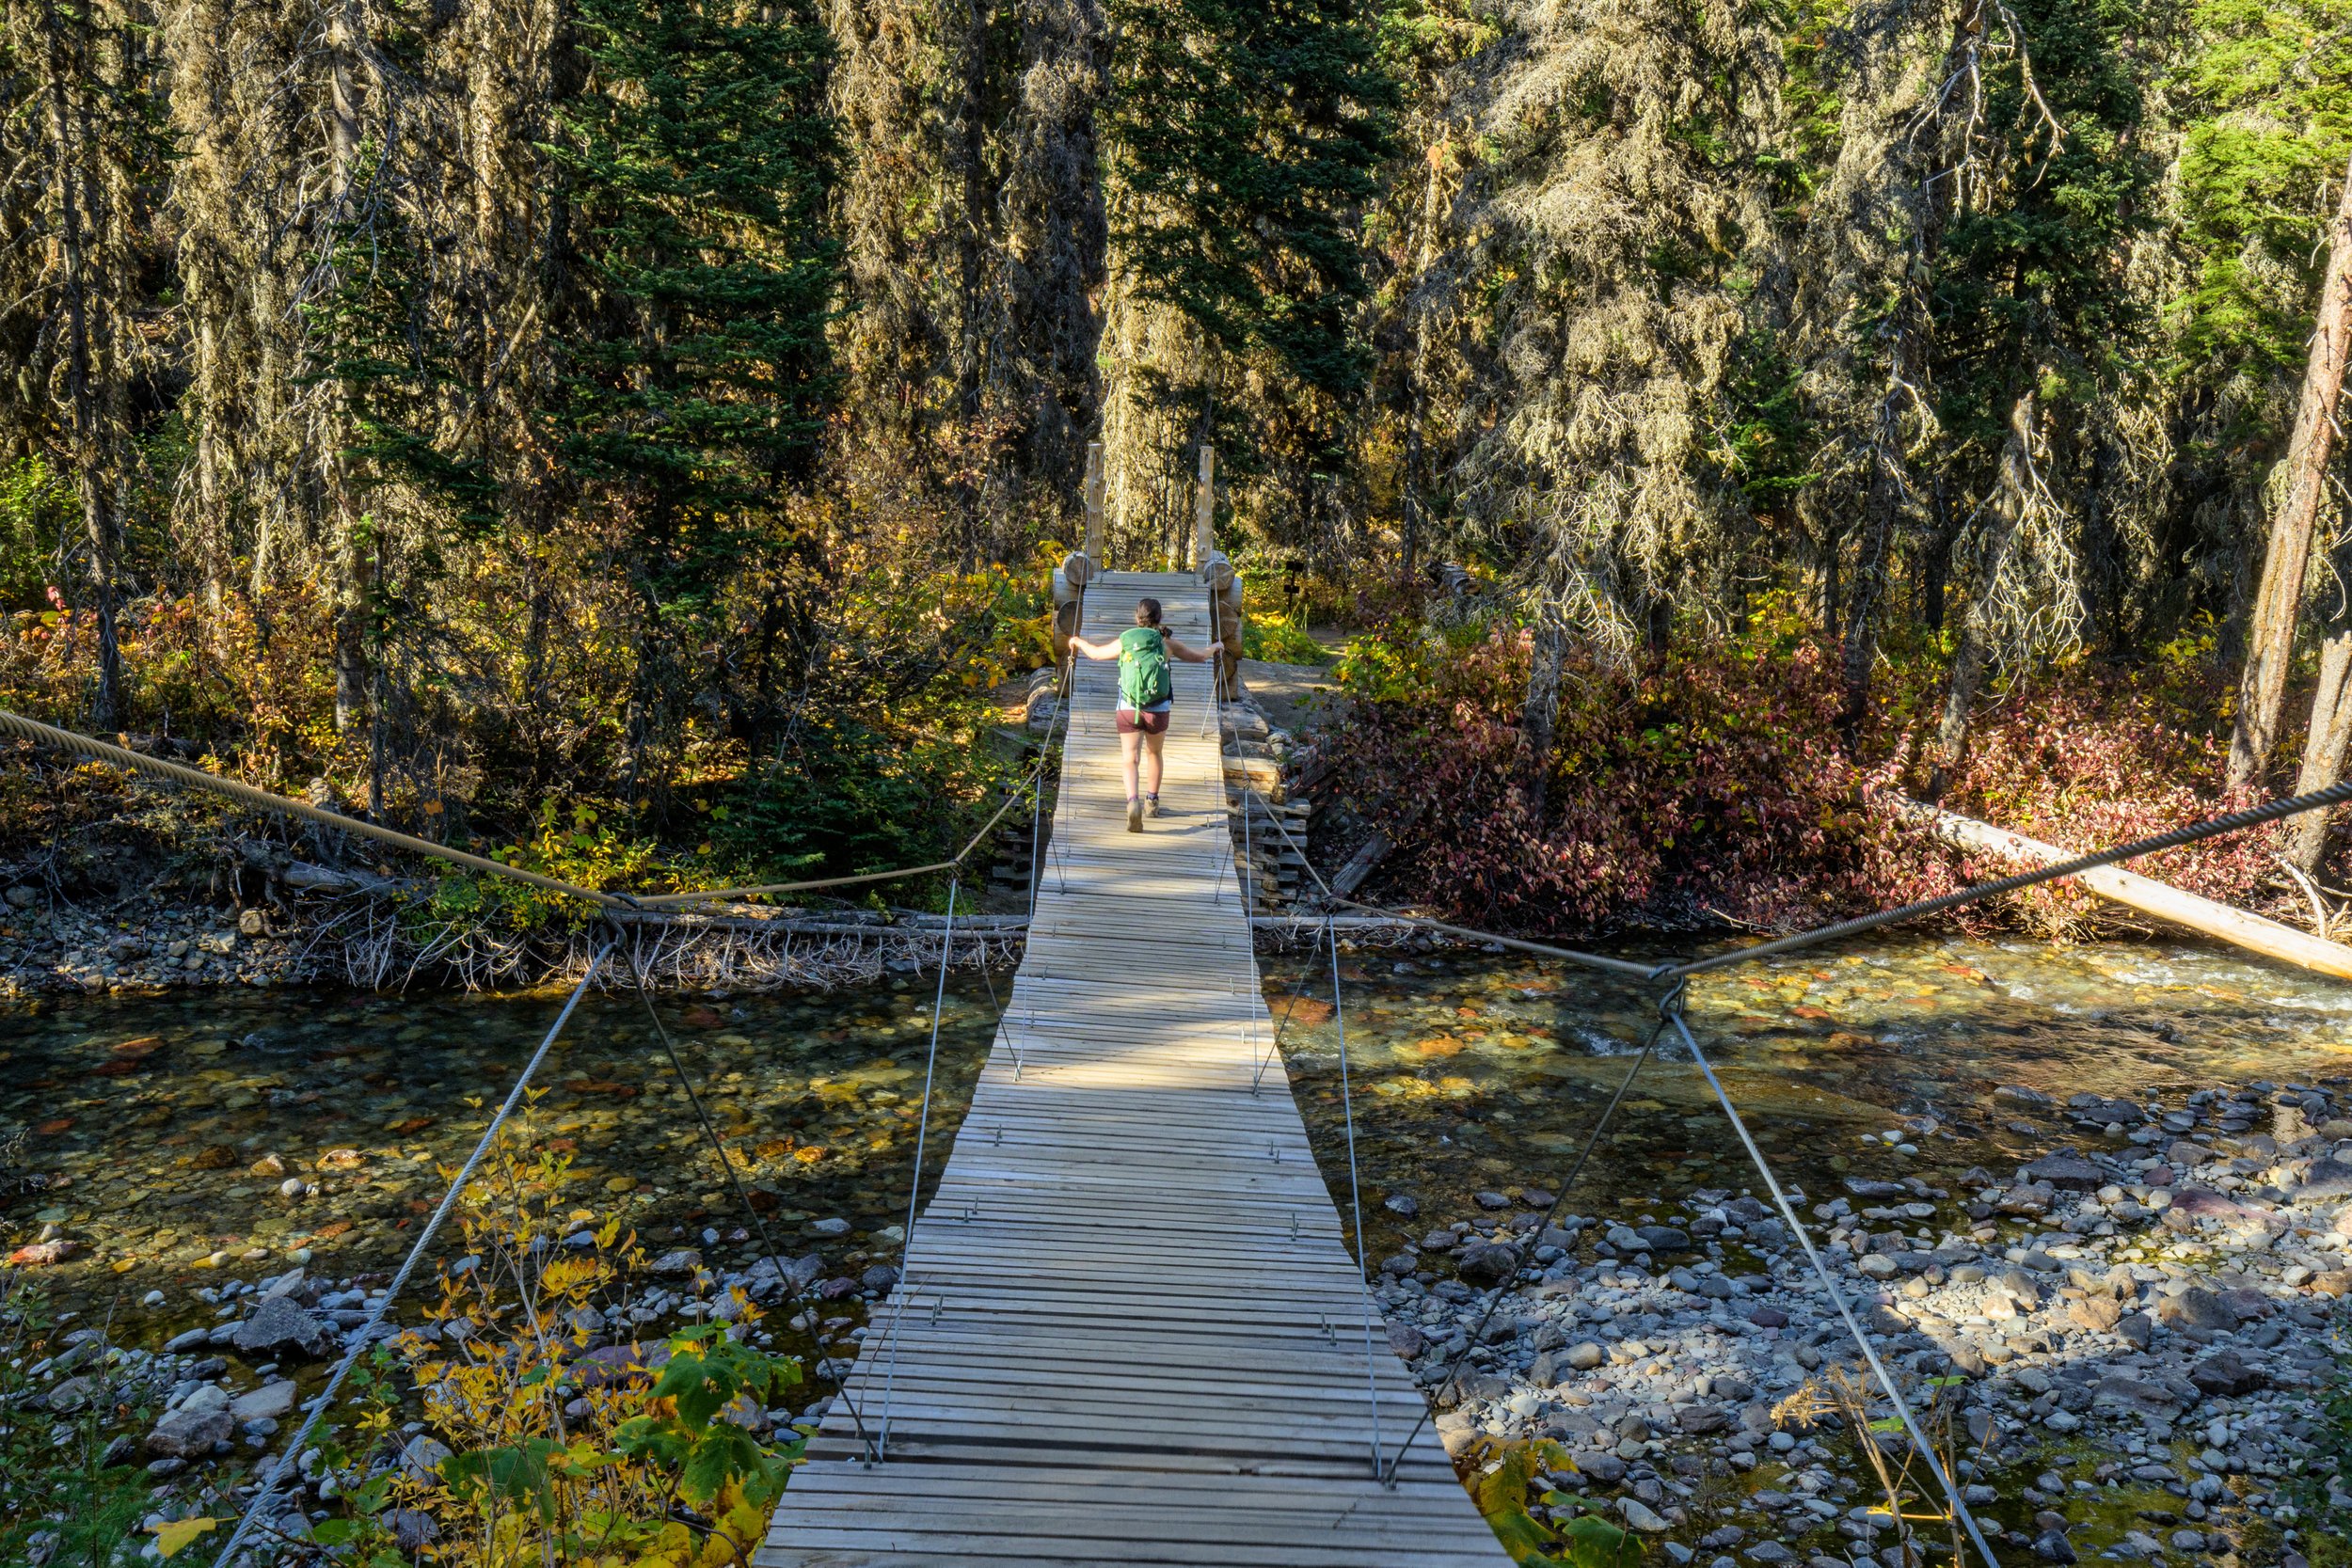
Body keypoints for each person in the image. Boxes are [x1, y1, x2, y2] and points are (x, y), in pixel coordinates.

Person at [1069, 597, 1224, 832]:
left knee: (1130, 759)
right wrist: (1216, 646)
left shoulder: (1125, 641)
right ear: (1160, 619)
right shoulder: (1166, 643)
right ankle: (1152, 801)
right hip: (1158, 710)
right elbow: (1199, 656)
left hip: (1128, 708)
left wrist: (1077, 641)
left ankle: (1133, 802)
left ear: (1136, 618)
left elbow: (1097, 654)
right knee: (1155, 753)